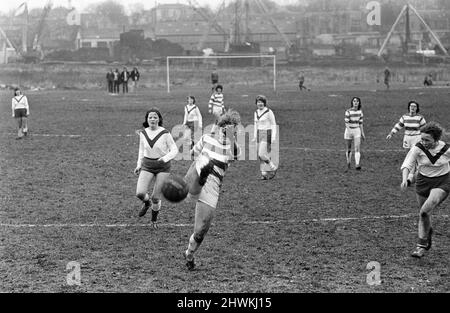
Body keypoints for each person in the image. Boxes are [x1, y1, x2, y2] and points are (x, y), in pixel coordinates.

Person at [182, 109, 241, 270]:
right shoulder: (207, 138)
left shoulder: (231, 148)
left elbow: (236, 156)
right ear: (220, 127)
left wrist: (232, 138)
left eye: (232, 129)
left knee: (201, 231)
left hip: (212, 187)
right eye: (225, 128)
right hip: (196, 176)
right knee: (200, 164)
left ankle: (189, 254)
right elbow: (192, 154)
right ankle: (193, 183)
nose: (227, 131)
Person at [400, 122, 450, 258]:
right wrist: (405, 179)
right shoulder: (418, 147)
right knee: (424, 215)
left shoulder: (446, 148)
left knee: (424, 211)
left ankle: (420, 246)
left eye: (427, 140)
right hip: (422, 182)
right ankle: (428, 232)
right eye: (422, 139)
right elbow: (408, 163)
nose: (423, 142)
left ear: (436, 139)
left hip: (442, 182)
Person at [134, 108, 179, 228]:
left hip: (163, 167)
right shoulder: (143, 133)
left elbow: (175, 150)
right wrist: (139, 164)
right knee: (140, 193)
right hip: (147, 165)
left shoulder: (165, 133)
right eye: (150, 117)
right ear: (147, 119)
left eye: (155, 117)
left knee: (156, 197)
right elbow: (141, 150)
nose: (152, 119)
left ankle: (154, 220)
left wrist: (165, 158)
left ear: (159, 119)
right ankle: (146, 203)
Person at [386, 101, 426, 184]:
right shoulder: (404, 117)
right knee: (408, 157)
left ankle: (410, 177)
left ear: (417, 108)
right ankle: (414, 175)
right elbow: (398, 126)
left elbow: (425, 129)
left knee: (414, 156)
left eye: (414, 106)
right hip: (407, 138)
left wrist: (425, 139)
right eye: (411, 106)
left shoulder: (420, 118)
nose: (412, 107)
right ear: (409, 107)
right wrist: (391, 133)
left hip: (417, 138)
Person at [252, 95, 277, 179]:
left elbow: (273, 124)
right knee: (260, 155)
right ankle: (264, 173)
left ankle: (272, 166)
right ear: (256, 103)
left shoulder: (269, 112)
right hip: (259, 133)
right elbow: (256, 124)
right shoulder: (255, 112)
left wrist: (273, 137)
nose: (260, 103)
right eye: (258, 102)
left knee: (261, 153)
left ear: (264, 103)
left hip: (267, 133)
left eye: (262, 102)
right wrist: (255, 136)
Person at [344, 97, 365, 170]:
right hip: (348, 131)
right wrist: (349, 130)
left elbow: (360, 123)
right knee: (349, 148)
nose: (355, 102)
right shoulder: (348, 111)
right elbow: (346, 122)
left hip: (357, 130)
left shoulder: (360, 112)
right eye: (354, 101)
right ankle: (348, 163)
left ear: (359, 103)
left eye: (357, 101)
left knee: (357, 148)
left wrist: (362, 133)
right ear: (352, 102)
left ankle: (357, 164)